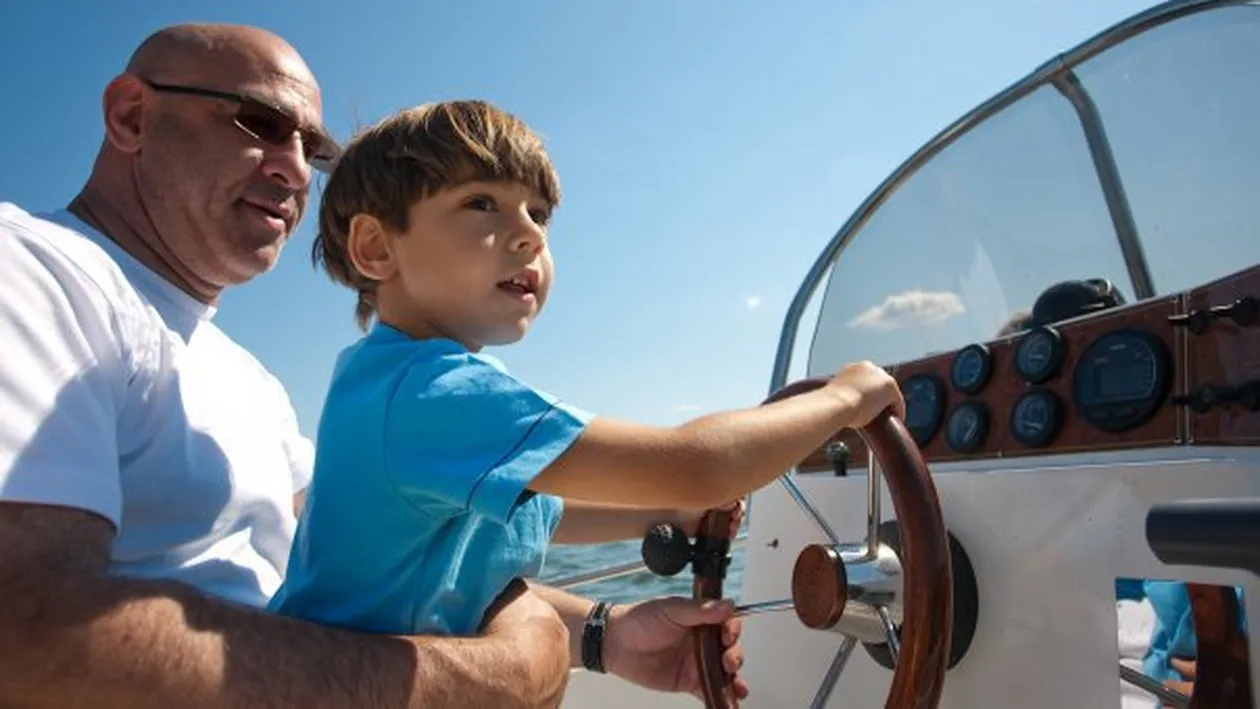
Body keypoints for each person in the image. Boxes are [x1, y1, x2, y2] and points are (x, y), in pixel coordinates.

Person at [0, 23, 749, 709]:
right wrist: (492, 674)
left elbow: (382, 571)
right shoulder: (27, 272)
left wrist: (600, 635)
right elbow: (27, 640)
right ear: (132, 116)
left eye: (314, 150)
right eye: (261, 123)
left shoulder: (249, 382)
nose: (296, 168)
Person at [268, 99, 906, 642]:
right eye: (482, 203)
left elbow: (533, 513)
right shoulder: (430, 391)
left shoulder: (386, 387)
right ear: (377, 248)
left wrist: (662, 515)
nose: (529, 236)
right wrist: (847, 398)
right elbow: (698, 464)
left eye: (538, 214)